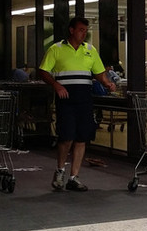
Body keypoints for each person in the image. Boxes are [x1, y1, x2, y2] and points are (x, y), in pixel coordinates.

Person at [38, 16, 116, 192]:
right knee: (66, 137)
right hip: (65, 98)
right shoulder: (56, 49)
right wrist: (56, 85)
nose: (83, 34)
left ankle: (74, 177)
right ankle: (60, 171)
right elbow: (43, 71)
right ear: (72, 30)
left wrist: (106, 83)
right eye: (81, 30)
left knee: (82, 137)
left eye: (86, 31)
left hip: (84, 98)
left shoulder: (90, 50)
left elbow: (99, 72)